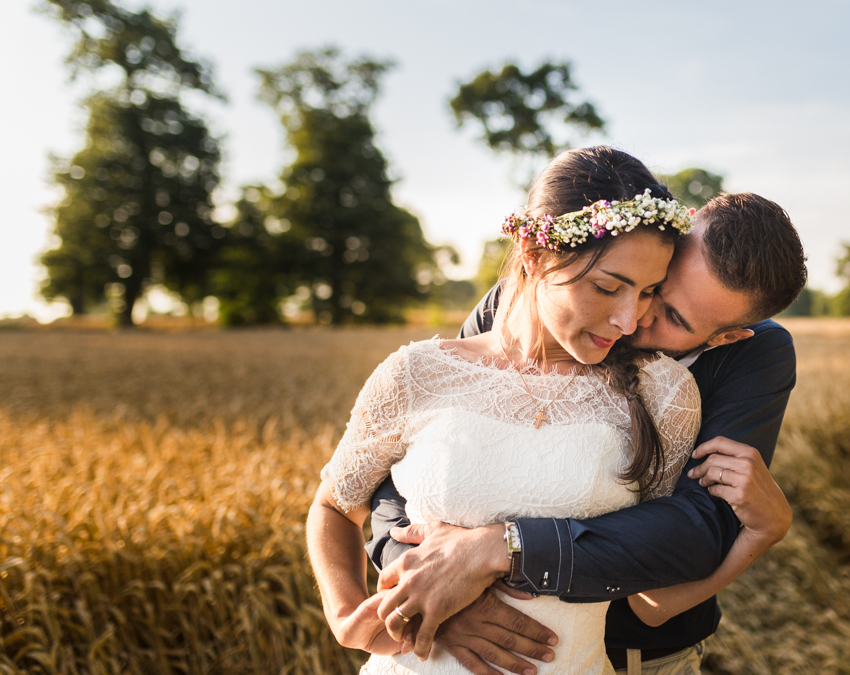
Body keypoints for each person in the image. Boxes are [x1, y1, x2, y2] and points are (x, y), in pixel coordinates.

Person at [307, 146, 786, 675]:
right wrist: (386, 599)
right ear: (534, 256)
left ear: (725, 337)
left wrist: (761, 533)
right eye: (609, 287)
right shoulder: (433, 360)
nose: (631, 320)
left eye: (653, 296)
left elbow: (674, 551)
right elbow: (361, 494)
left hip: (631, 657)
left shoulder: (670, 391)